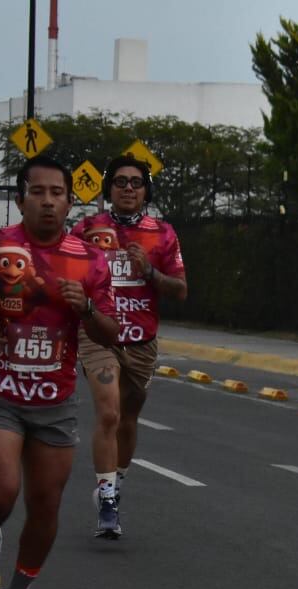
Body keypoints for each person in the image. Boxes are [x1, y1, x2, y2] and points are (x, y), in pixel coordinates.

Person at [0, 154, 119, 589]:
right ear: (20, 201)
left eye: (57, 193)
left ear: (70, 202)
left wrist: (86, 310)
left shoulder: (89, 260)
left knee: (45, 506)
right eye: (37, 192)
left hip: (54, 402)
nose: (47, 202)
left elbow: (110, 333)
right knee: (0, 492)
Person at [71, 155, 187, 538]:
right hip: (98, 334)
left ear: (146, 191)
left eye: (136, 182)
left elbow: (181, 290)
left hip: (142, 342)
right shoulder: (86, 229)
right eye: (120, 182)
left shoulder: (162, 233)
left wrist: (149, 272)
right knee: (108, 413)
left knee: (128, 418)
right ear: (109, 189)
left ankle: (116, 483)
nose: (128, 189)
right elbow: (63, 273)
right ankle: (106, 502)